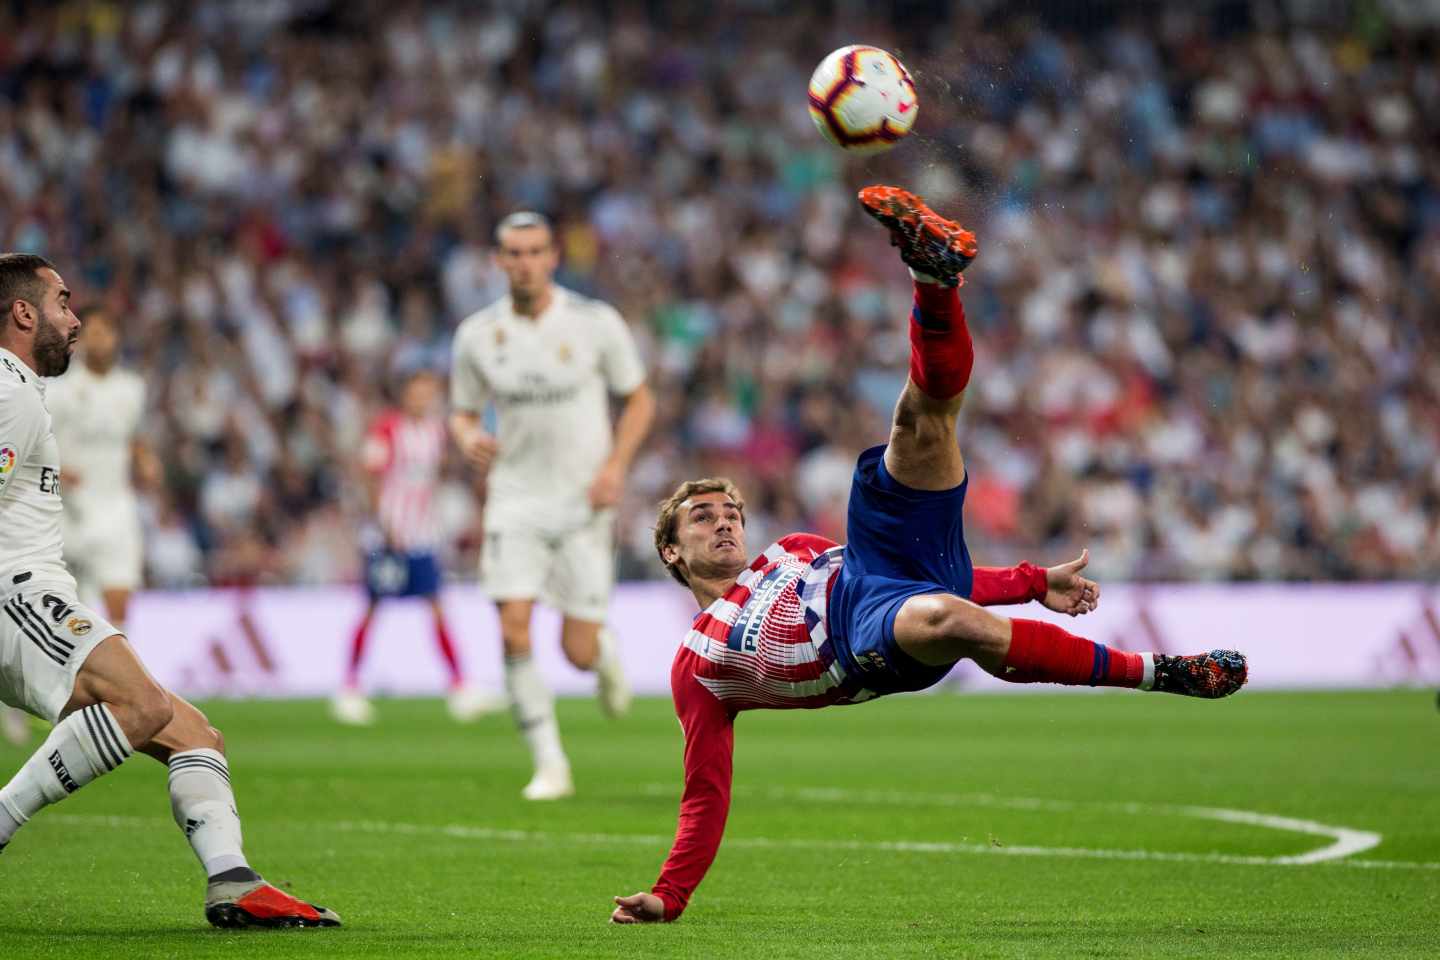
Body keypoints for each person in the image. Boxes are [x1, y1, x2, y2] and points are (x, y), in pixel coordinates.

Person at [609, 188, 1248, 924]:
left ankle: (935, 280)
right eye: (701, 517)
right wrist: (671, 894)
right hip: (862, 640)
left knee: (920, 422)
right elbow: (705, 792)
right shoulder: (698, 666)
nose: (723, 523)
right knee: (947, 618)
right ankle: (1162, 675)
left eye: (731, 512)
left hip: (871, 569)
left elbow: (915, 571)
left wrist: (1032, 581)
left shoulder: (790, 551)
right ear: (670, 549)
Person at [0, 254, 340, 928]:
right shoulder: (9, 393)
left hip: (37, 591)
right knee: (141, 703)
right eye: (64, 303)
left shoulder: (25, 387)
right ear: (24, 312)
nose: (75, 319)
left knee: (196, 736)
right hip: (14, 593)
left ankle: (232, 881)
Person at [450, 211, 656, 801]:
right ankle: (550, 763)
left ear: (553, 257)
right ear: (498, 261)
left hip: (582, 501)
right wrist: (467, 438)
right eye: (513, 253)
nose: (524, 262)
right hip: (514, 498)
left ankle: (605, 650)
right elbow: (462, 411)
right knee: (513, 626)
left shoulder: (595, 324)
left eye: (535, 251)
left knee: (577, 651)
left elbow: (639, 401)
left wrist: (616, 465)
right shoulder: (477, 335)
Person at [332, 368, 500, 725]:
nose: (424, 398)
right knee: (373, 607)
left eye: (429, 392)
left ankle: (459, 686)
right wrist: (384, 522)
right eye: (418, 392)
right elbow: (369, 476)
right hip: (388, 537)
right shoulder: (387, 428)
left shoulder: (436, 431)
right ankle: (349, 688)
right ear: (405, 394)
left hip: (422, 536)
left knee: (437, 606)